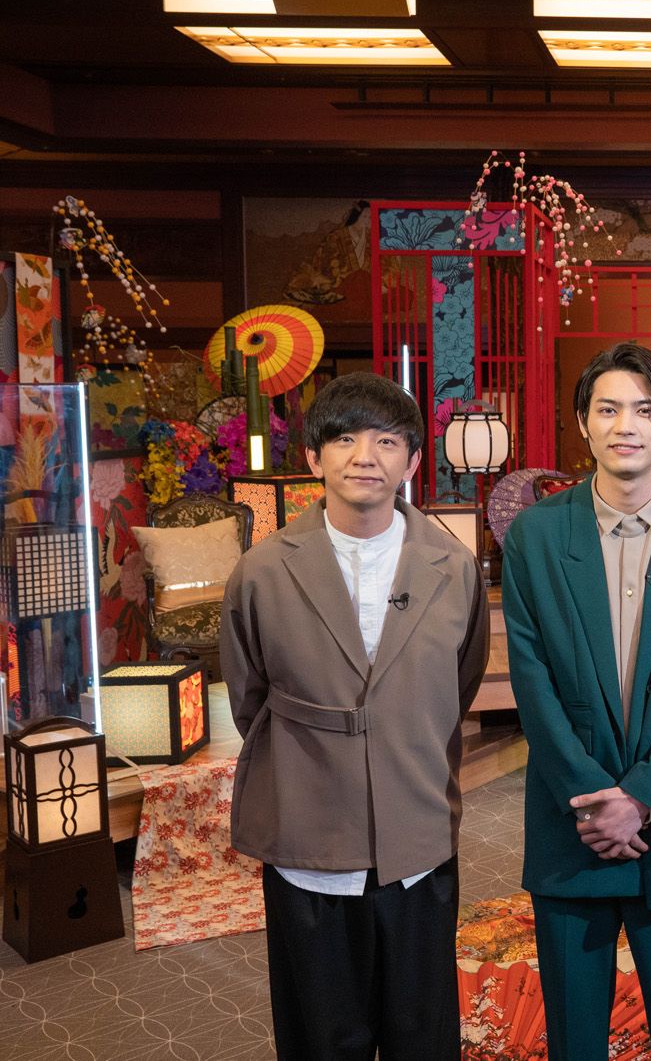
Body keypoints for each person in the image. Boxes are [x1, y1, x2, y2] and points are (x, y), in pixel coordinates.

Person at [222, 372, 489, 1060]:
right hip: (309, 838)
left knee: (421, 1034)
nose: (364, 456)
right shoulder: (261, 571)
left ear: (413, 460)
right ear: (314, 457)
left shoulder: (453, 566)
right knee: (321, 1036)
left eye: (387, 441)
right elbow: (249, 696)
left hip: (417, 836)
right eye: (344, 439)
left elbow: (458, 684)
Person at [500, 342, 651, 1061]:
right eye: (608, 409)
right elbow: (532, 680)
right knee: (574, 1039)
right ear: (584, 423)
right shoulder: (536, 537)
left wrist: (639, 798)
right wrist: (590, 798)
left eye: (644, 410)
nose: (625, 425)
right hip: (571, 828)